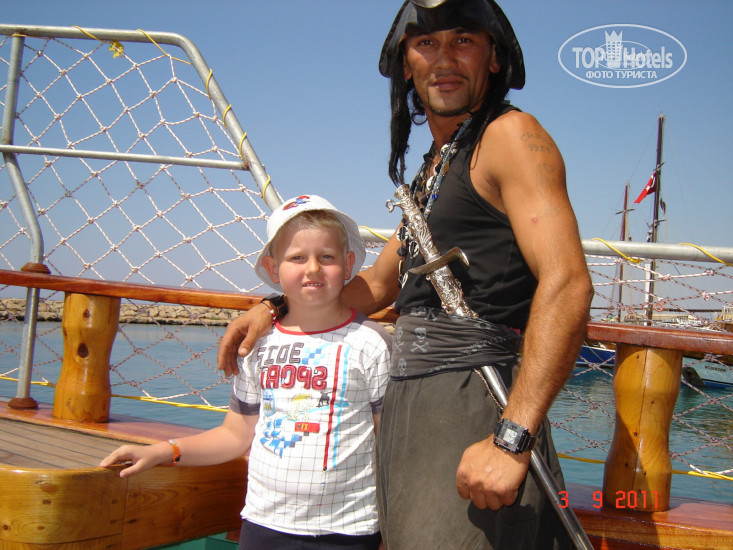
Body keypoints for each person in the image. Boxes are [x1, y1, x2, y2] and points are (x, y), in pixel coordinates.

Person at [218, 1, 593, 549]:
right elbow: (378, 284)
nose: (444, 59)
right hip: (411, 408)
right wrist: (274, 308)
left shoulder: (510, 136)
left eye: (463, 40)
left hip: (476, 397)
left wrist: (511, 438)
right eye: (427, 44)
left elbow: (568, 282)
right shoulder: (433, 171)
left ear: (493, 58)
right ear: (406, 65)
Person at [102, 195, 391, 550]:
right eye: (297, 258)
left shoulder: (371, 344)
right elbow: (235, 435)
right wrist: (165, 451)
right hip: (263, 524)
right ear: (273, 268)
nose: (313, 268)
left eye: (326, 257)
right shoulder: (258, 345)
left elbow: (390, 445)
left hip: (349, 530)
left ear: (348, 265)